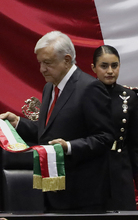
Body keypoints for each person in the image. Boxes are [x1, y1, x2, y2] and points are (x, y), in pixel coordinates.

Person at [0, 31, 116, 212]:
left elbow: (105, 137)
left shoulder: (90, 88)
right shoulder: (49, 87)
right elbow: (47, 133)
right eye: (40, 63)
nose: (42, 69)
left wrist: (68, 147)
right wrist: (18, 124)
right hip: (53, 191)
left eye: (47, 63)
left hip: (83, 196)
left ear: (67, 60)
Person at [91, 45, 138, 210]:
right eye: (104, 66)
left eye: (114, 66)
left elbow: (135, 144)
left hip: (120, 167)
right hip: (93, 166)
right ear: (93, 68)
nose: (110, 71)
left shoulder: (129, 97)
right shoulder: (84, 94)